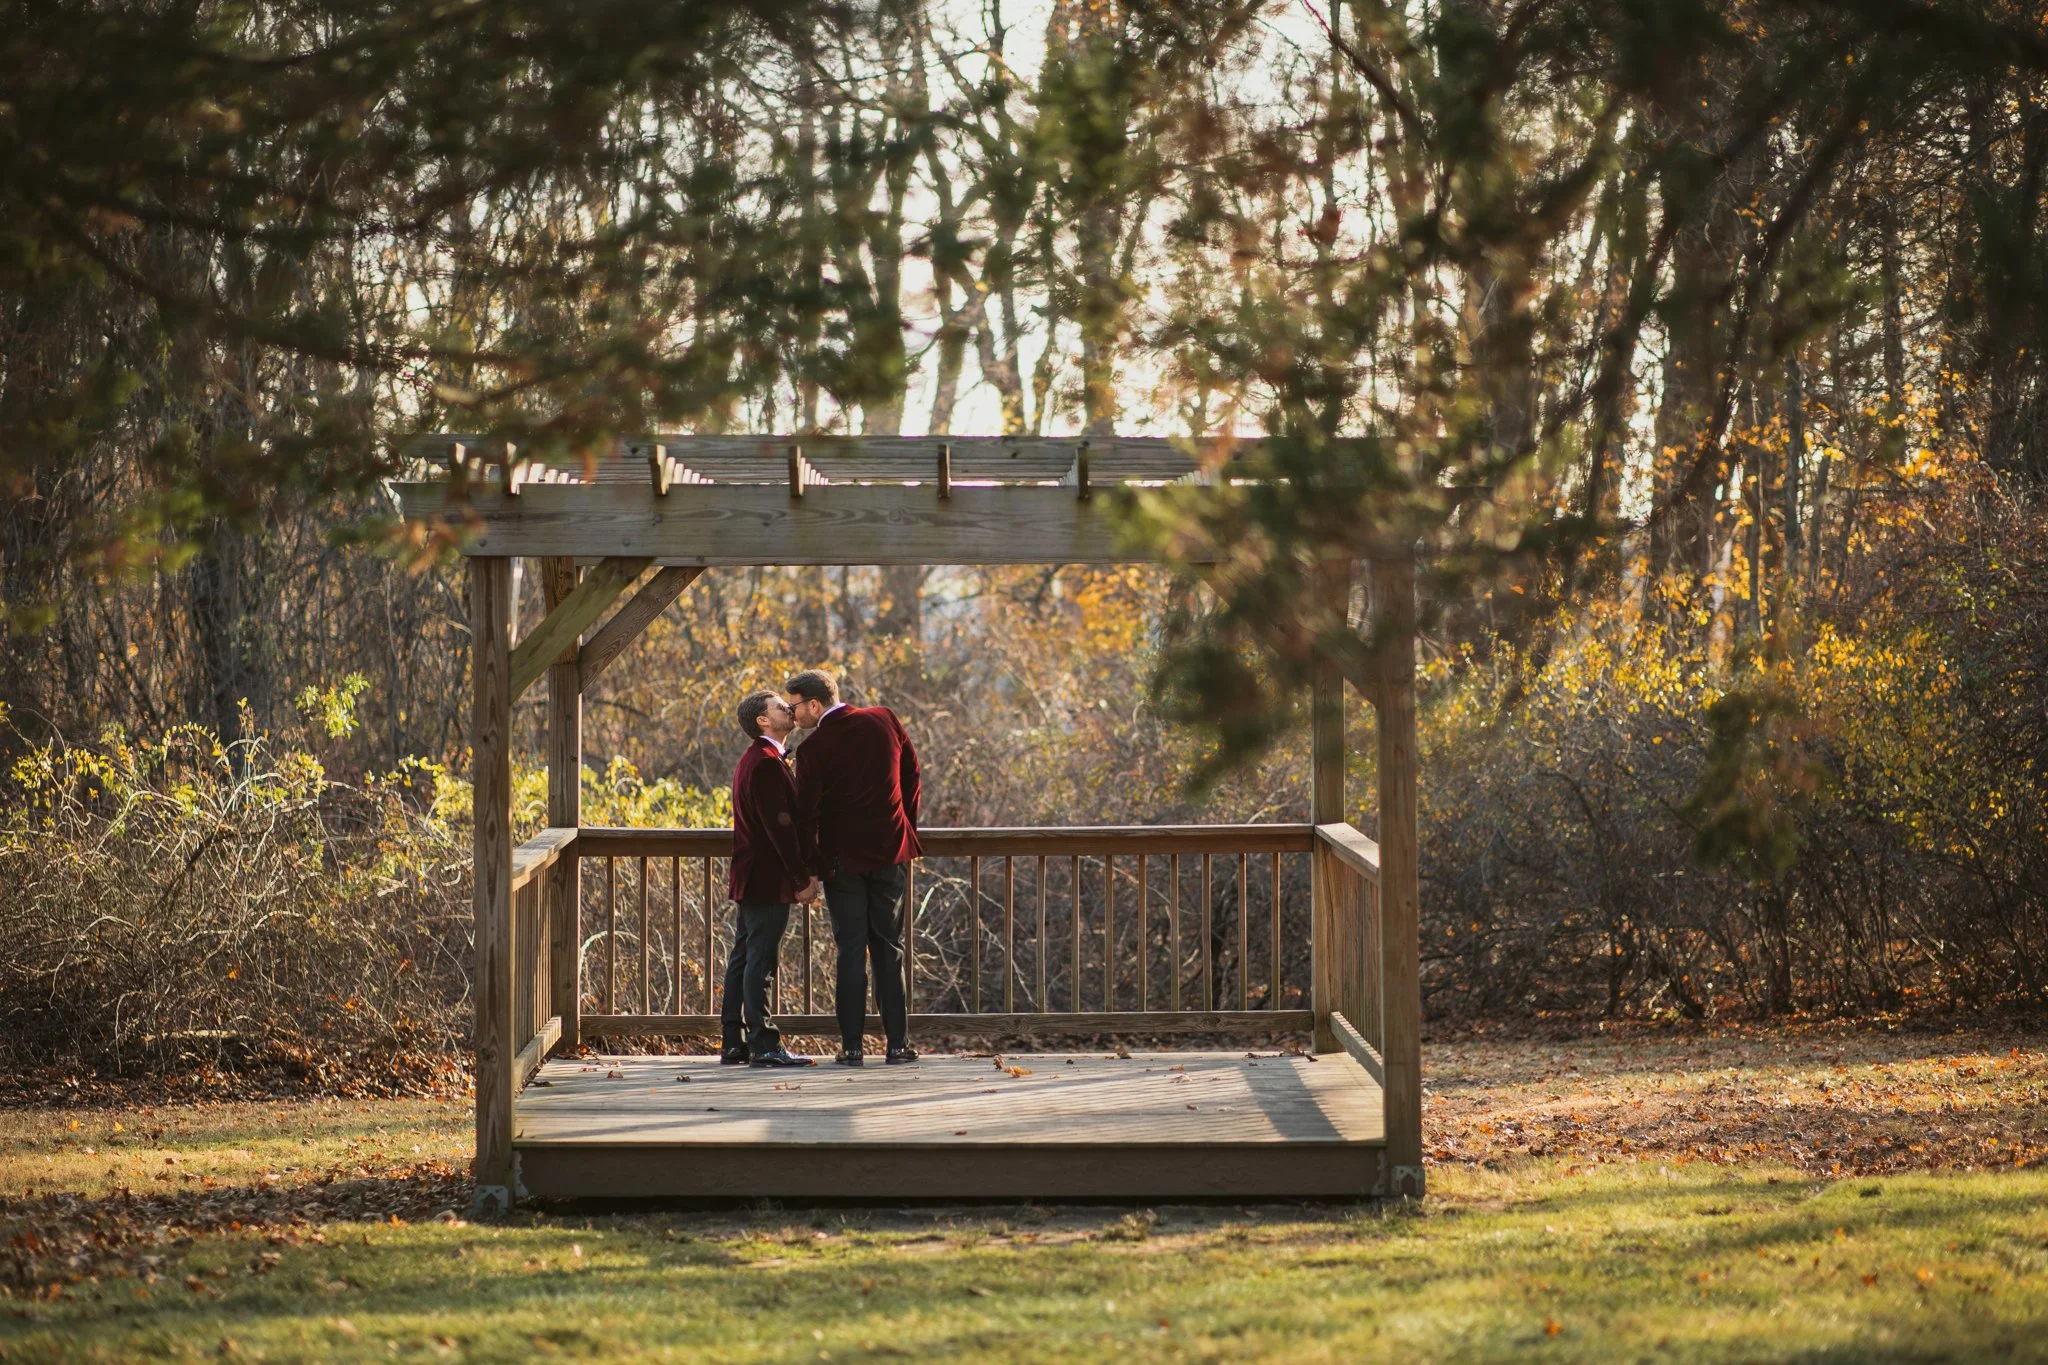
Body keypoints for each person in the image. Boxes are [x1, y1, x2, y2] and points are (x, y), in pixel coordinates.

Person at [785, 668, 921, 1066]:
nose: (793, 716)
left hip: (842, 862)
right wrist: (904, 826)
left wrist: (809, 868)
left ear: (814, 704)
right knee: (888, 948)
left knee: (850, 951)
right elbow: (912, 772)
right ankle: (898, 1045)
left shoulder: (813, 750)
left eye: (794, 707)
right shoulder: (884, 718)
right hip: (891, 852)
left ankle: (852, 1048)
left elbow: (806, 816)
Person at [721, 689, 819, 1069]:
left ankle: (734, 1041)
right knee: (760, 961)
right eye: (782, 707)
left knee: (745, 958)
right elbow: (780, 830)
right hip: (766, 876)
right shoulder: (764, 762)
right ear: (763, 720)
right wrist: (801, 879)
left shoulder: (760, 759)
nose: (790, 710)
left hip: (754, 874)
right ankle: (763, 1044)